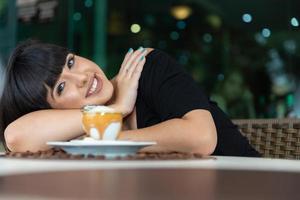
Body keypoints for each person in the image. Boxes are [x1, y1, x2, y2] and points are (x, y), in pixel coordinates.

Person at [0, 40, 260, 157]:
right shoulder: (70, 129)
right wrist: (115, 109)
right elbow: (14, 137)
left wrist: (105, 140)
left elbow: (202, 137)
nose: (81, 76)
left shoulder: (145, 66)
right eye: (60, 88)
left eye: (71, 62)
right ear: (49, 112)